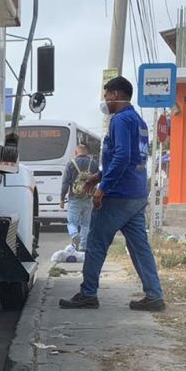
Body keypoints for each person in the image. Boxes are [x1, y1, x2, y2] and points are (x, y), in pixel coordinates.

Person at [60, 76, 164, 311]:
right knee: (140, 247)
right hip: (136, 194)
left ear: (116, 94)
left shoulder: (120, 120)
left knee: (96, 242)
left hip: (118, 194)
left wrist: (103, 188)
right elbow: (131, 158)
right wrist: (98, 177)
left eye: (106, 94)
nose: (105, 99)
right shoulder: (138, 120)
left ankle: (88, 294)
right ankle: (154, 294)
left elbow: (123, 156)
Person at [59, 143, 100, 250]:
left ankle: (74, 235)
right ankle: (83, 247)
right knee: (86, 224)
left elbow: (65, 183)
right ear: (87, 151)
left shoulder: (71, 163)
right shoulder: (94, 163)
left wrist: (62, 199)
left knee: (72, 222)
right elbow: (98, 180)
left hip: (74, 198)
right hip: (88, 198)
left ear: (76, 152)